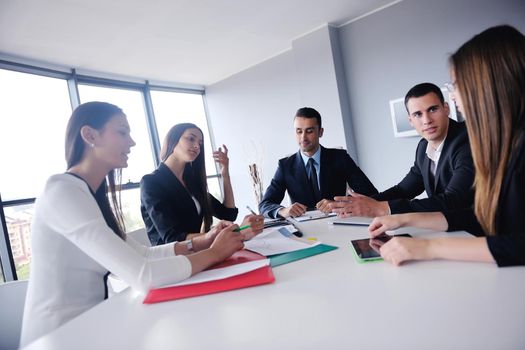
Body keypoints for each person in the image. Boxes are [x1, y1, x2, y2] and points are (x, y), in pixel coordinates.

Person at [20, 102, 245, 346]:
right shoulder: (62, 191)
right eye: (122, 132)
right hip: (57, 338)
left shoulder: (90, 195)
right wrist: (214, 253)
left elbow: (143, 254)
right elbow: (143, 275)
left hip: (94, 327)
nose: (132, 142)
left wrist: (205, 241)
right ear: (89, 135)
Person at [368, 25, 525, 267]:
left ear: (487, 86)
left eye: (456, 84)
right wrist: (404, 218)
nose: (454, 95)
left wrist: (428, 246)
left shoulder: (476, 143)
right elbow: (483, 216)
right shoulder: (506, 145)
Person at [330, 83, 475, 217]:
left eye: (432, 109)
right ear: (410, 120)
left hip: (475, 233)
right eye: (418, 114)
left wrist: (383, 208)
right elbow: (404, 190)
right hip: (445, 228)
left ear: (446, 109)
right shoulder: (423, 146)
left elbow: (453, 200)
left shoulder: (467, 141)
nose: (426, 120)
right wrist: (364, 203)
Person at [140, 123, 263, 245]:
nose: (197, 146)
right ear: (173, 140)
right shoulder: (151, 182)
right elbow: (173, 238)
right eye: (191, 138)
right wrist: (234, 232)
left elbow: (228, 214)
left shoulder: (192, 182)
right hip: (172, 260)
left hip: (199, 252)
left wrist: (225, 173)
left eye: (200, 143)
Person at [259, 107, 378, 218]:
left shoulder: (340, 157)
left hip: (339, 224)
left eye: (309, 131)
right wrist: (283, 211)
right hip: (304, 232)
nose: (303, 138)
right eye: (299, 131)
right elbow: (265, 204)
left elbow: (370, 194)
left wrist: (339, 204)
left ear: (320, 132)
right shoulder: (285, 166)